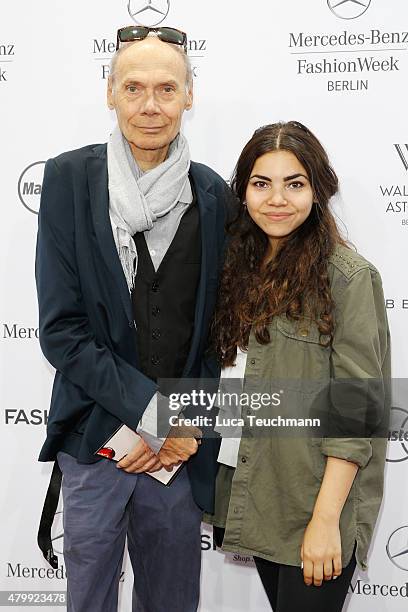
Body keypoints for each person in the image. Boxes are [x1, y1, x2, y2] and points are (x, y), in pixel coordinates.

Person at [35, 25, 231, 612]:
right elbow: (62, 330)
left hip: (176, 452)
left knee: (173, 603)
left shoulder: (215, 194)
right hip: (97, 439)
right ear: (111, 93)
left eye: (166, 89)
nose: (150, 105)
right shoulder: (70, 179)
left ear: (189, 96)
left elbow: (216, 338)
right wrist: (150, 418)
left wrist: (178, 428)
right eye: (134, 88)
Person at [207, 121, 390, 612]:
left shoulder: (347, 277)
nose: (277, 199)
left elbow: (356, 412)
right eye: (261, 183)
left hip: (317, 505)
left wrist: (325, 520)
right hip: (262, 493)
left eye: (295, 183)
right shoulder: (237, 270)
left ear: (318, 190)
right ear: (243, 191)